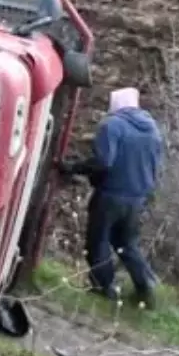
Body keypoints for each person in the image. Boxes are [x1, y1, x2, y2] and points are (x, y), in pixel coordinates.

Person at [59, 87, 163, 308]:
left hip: (111, 194)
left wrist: (74, 168)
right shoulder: (152, 128)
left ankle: (104, 287)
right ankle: (146, 286)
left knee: (98, 240)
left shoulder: (112, 125)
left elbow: (104, 162)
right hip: (138, 196)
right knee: (126, 243)